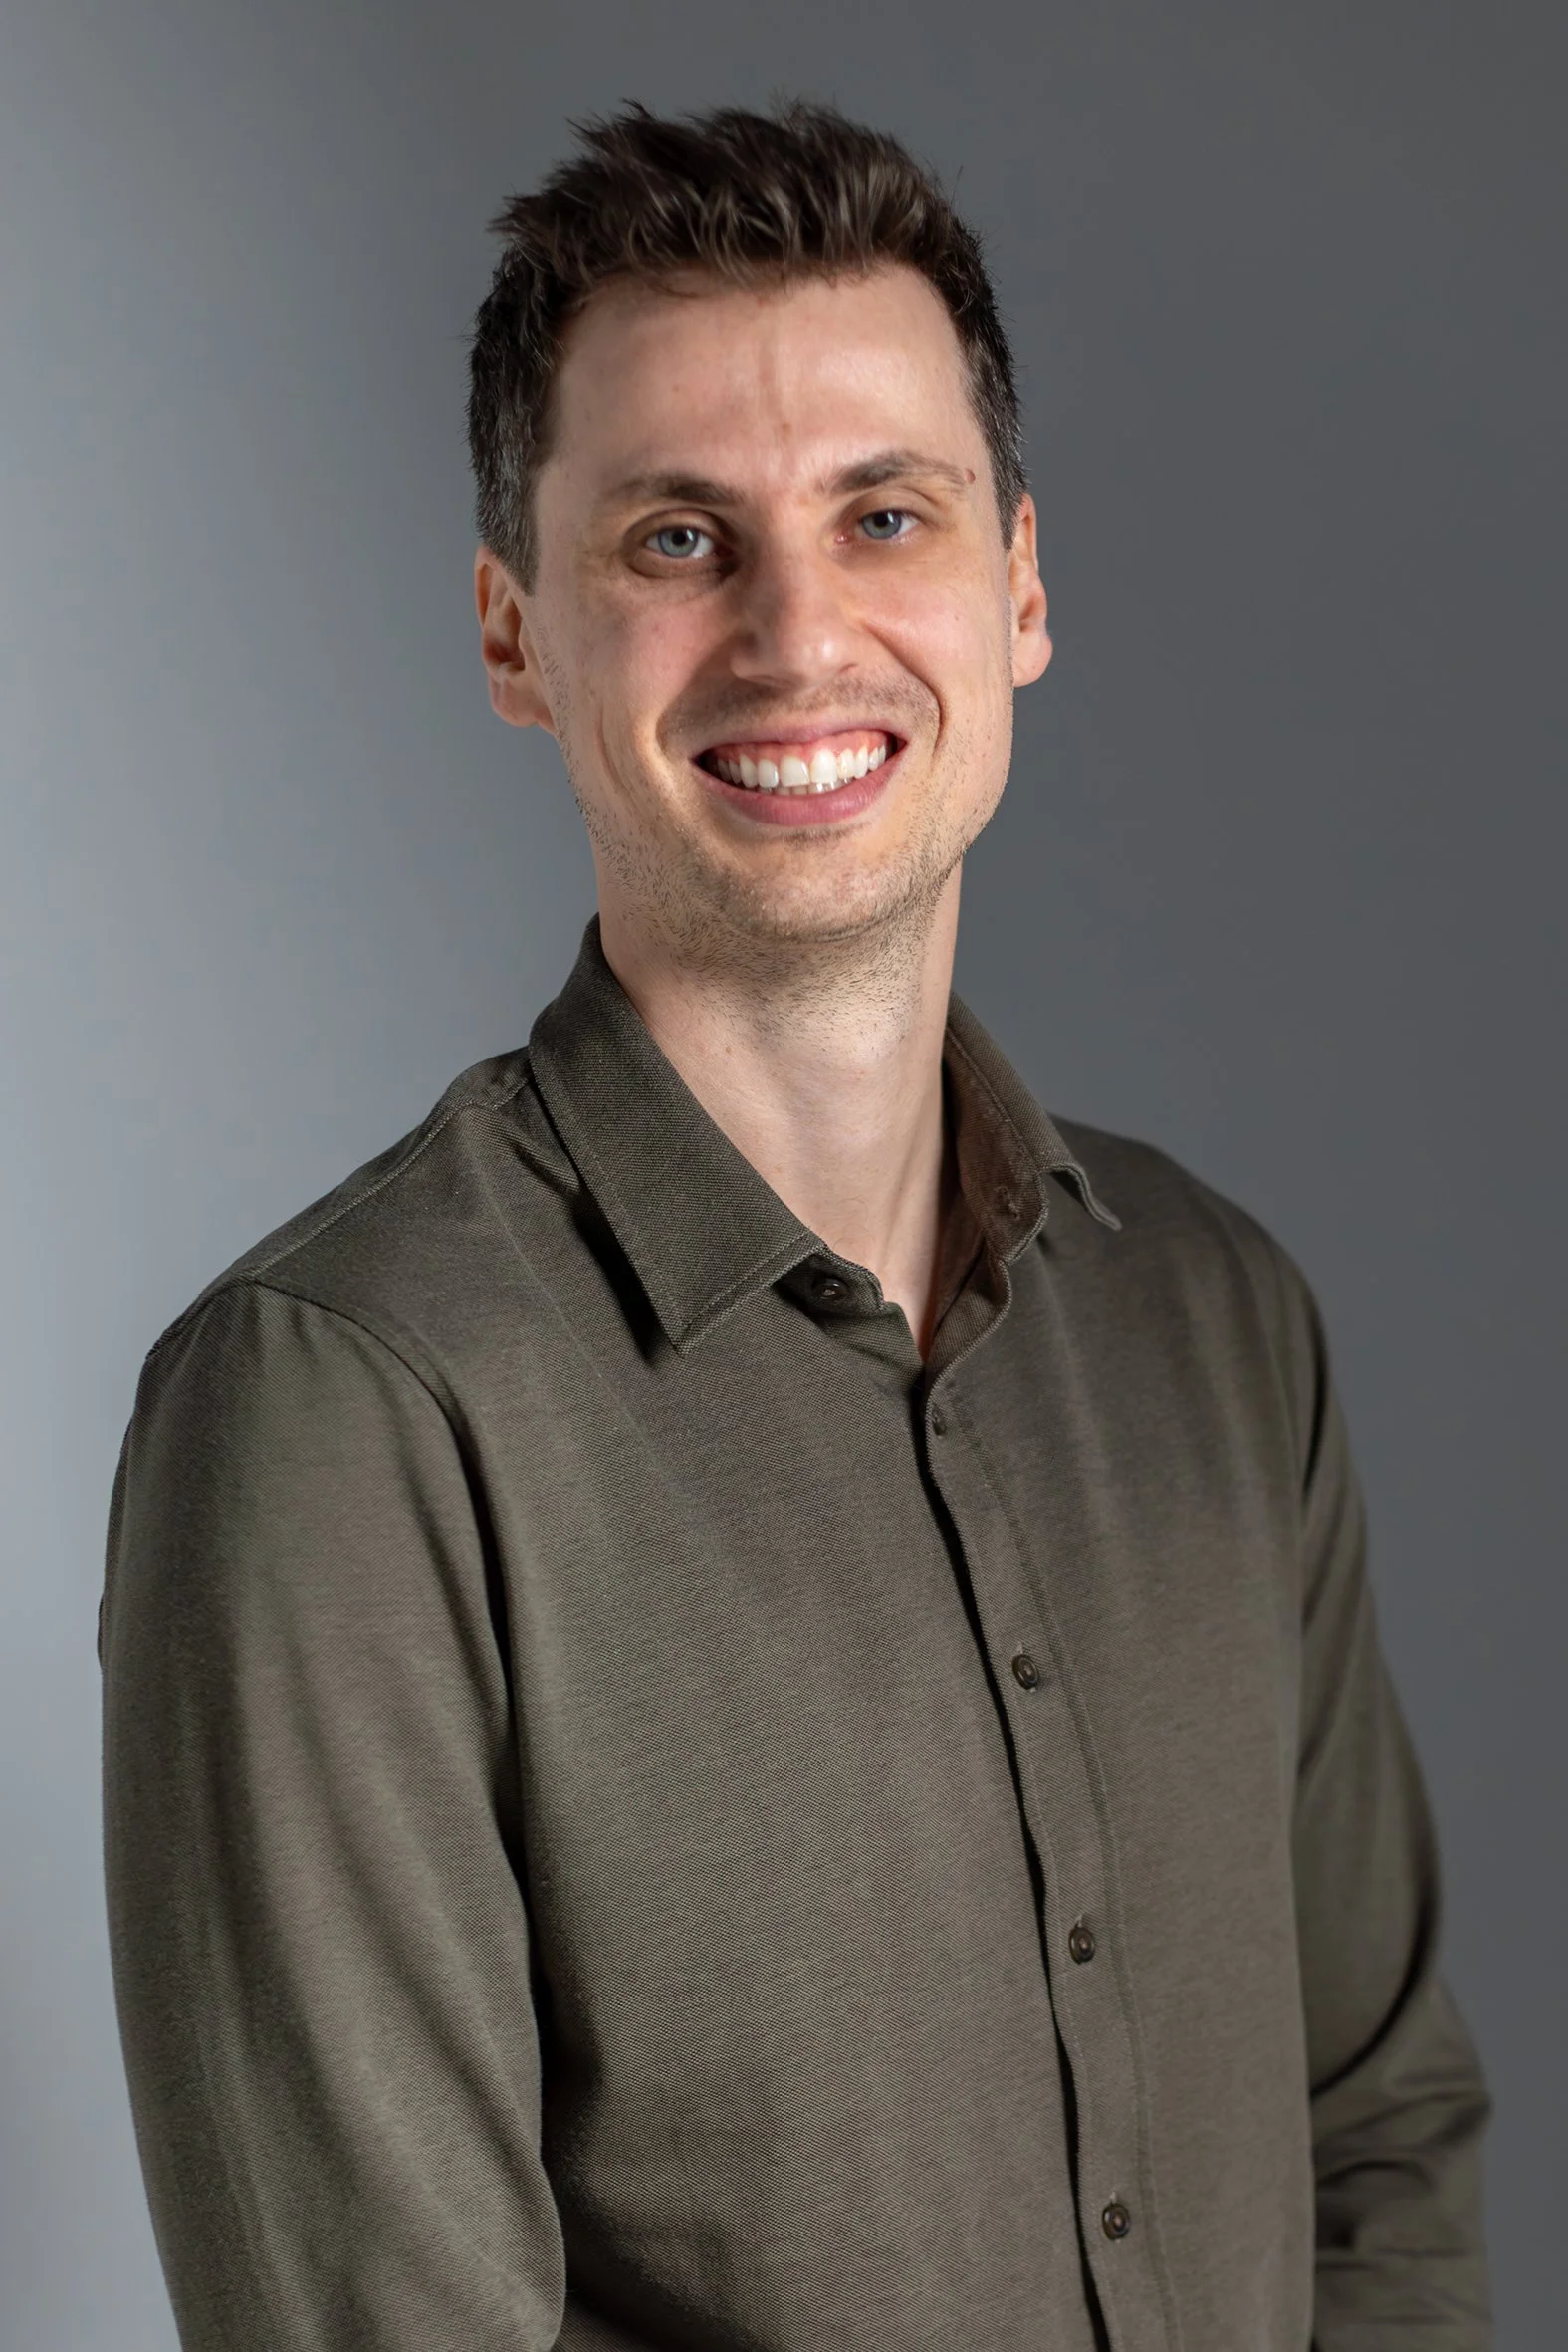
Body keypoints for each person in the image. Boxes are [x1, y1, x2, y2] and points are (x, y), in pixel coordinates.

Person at [101, 97, 1493, 2352]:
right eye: (673, 537)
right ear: (512, 632)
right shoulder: (339, 1409)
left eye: (883, 512)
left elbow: (1380, 2138)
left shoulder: (1221, 1324)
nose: (798, 629)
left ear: (1018, 584)